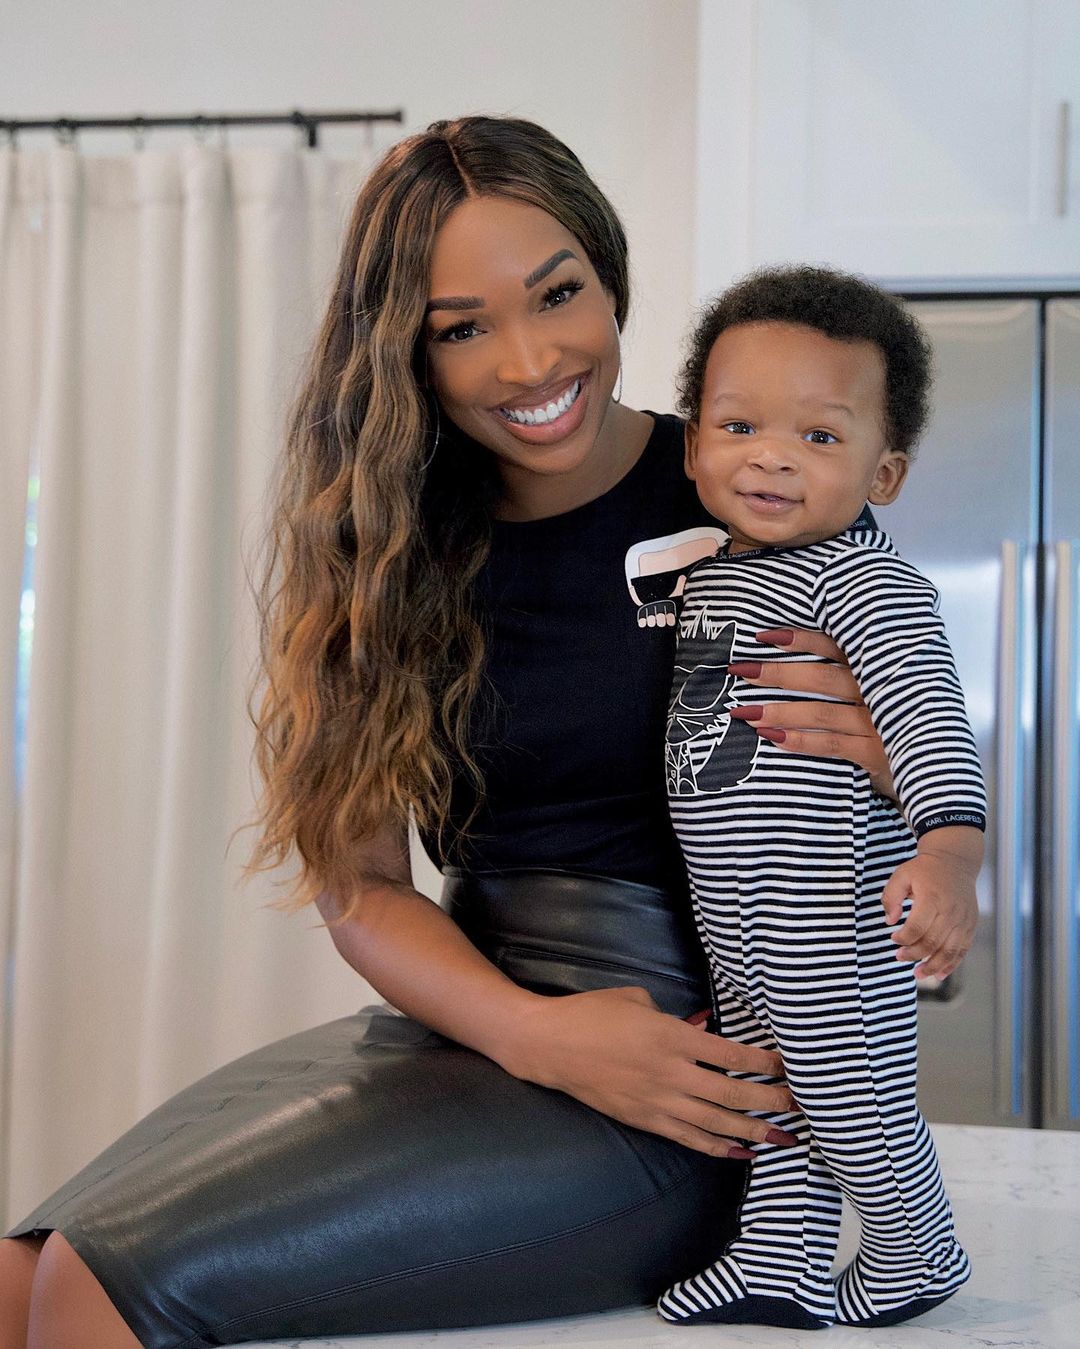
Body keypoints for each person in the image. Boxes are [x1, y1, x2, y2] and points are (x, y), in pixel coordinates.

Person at [2, 119, 909, 1349]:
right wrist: (532, 1031)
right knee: (23, 1273)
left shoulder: (750, 495)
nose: (530, 359)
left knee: (93, 1296)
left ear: (609, 270)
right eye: (462, 326)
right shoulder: (384, 549)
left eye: (559, 294)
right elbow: (361, 885)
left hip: (683, 1077)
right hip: (474, 1027)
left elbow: (899, 856)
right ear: (406, 352)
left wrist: (885, 774)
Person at [657, 266, 985, 1331]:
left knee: (848, 1092)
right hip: (737, 906)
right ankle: (779, 1257)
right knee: (769, 1086)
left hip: (831, 909)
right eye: (740, 422)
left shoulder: (864, 583)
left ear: (884, 472)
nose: (770, 455)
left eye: (820, 437)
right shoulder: (709, 571)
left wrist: (948, 853)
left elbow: (928, 718)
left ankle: (916, 1246)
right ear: (695, 439)